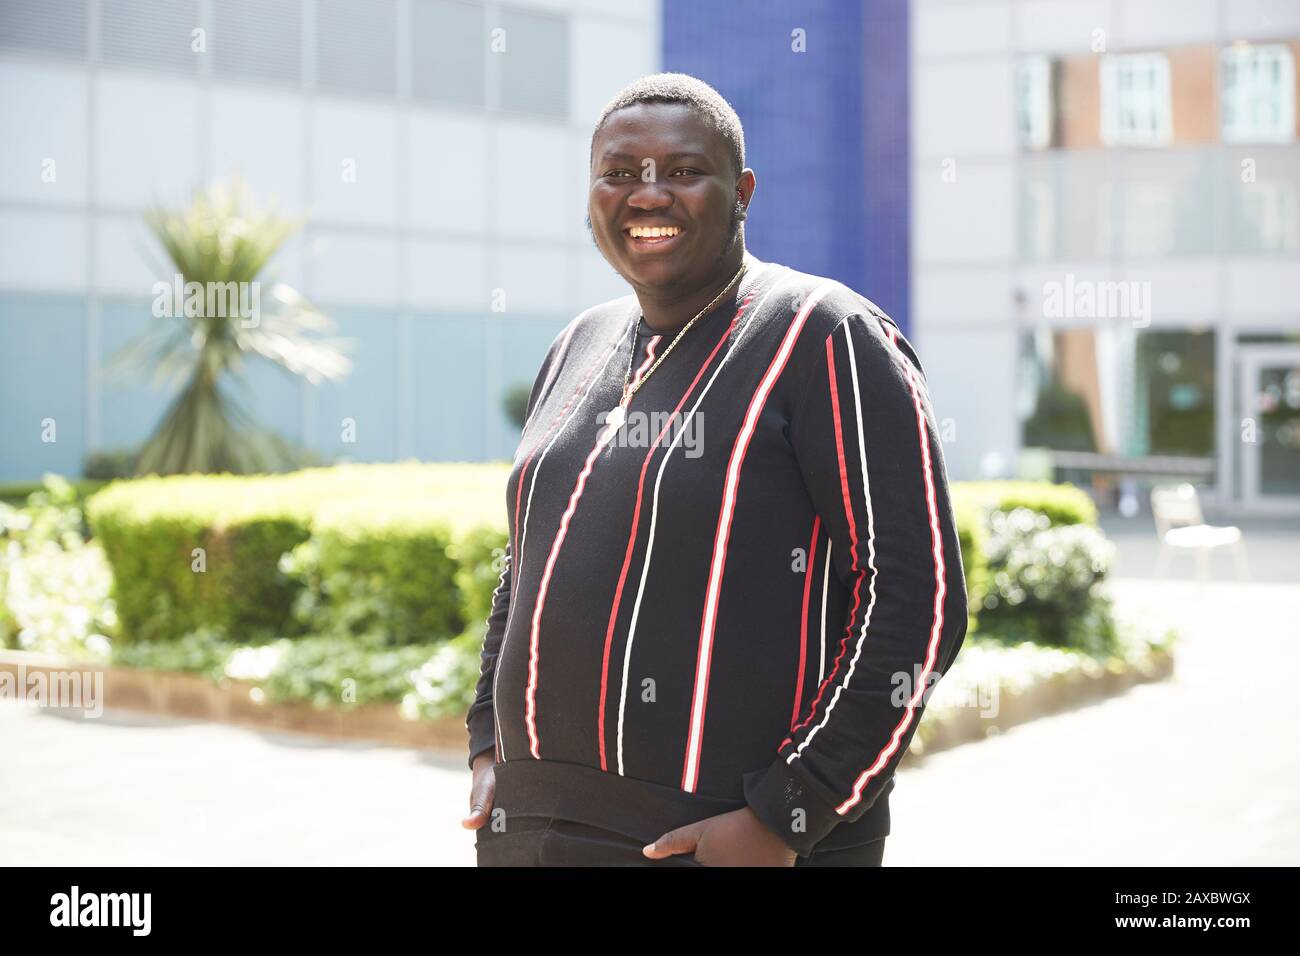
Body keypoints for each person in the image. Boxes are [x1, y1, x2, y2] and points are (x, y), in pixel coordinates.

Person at [461, 73, 968, 867]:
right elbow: (525, 565)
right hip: (538, 829)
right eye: (620, 173)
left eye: (683, 171)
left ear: (742, 191)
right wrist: (489, 742)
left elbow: (919, 601)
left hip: (723, 837)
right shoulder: (576, 345)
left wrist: (790, 815)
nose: (648, 194)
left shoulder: (825, 335)